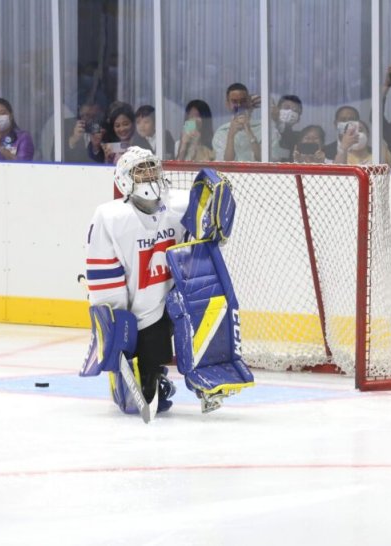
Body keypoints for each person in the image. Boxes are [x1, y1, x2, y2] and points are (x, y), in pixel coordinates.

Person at [82, 147, 253, 415]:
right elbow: (103, 271)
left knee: (200, 329)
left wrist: (219, 200)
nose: (149, 175)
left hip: (176, 295)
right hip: (140, 306)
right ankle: (143, 377)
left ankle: (206, 382)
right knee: (143, 399)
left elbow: (209, 233)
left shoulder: (180, 204)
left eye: (153, 168)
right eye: (141, 171)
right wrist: (114, 321)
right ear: (126, 180)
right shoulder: (110, 217)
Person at [212, 83, 262, 162]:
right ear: (227, 104)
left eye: (243, 101)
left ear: (248, 101)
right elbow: (226, 163)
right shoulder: (221, 132)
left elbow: (265, 160)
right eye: (234, 102)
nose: (239, 105)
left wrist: (249, 132)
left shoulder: (263, 129)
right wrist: (231, 136)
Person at [271, 94, 303, 161]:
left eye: (295, 110)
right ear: (277, 109)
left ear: (298, 119)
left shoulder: (298, 139)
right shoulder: (263, 128)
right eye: (286, 107)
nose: (290, 112)